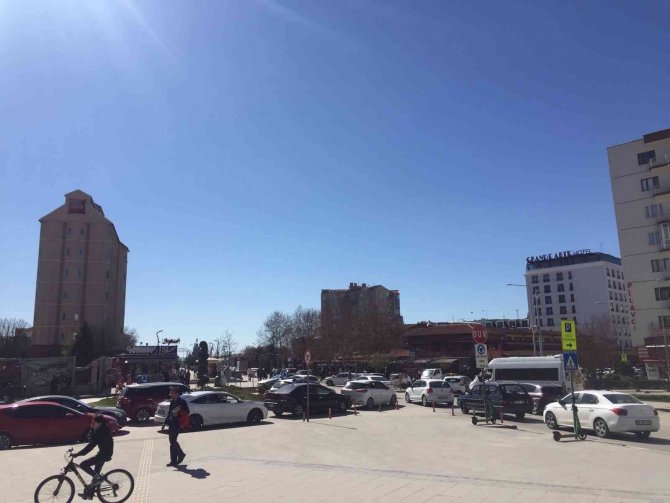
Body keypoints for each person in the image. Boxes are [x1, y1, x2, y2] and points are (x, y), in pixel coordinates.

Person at [73, 415, 113, 500]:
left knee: (83, 464)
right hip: (104, 454)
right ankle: (89, 495)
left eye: (93, 422)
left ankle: (98, 478)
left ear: (99, 423)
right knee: (95, 475)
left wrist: (78, 454)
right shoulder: (101, 429)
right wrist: (92, 429)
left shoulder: (101, 431)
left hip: (103, 455)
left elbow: (91, 445)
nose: (91, 423)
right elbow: (92, 441)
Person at [166, 386, 189, 467]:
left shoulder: (182, 401)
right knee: (172, 442)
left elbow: (187, 412)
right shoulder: (172, 402)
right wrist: (166, 422)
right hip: (171, 423)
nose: (170, 394)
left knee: (173, 441)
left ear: (177, 393)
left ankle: (180, 455)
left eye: (172, 392)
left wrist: (178, 414)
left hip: (177, 423)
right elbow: (169, 413)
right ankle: (174, 460)